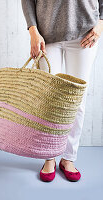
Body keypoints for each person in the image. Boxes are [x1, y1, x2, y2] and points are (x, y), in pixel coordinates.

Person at [21, 0, 103, 182]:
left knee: (76, 102)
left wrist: (101, 23)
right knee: (50, 102)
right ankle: (49, 158)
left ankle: (68, 158)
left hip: (86, 33)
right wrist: (33, 31)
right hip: (46, 34)